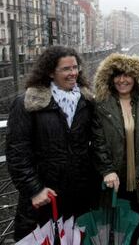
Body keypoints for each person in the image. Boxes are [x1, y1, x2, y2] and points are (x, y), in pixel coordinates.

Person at [5, 46, 100, 241]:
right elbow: (17, 153)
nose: (73, 73)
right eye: (66, 69)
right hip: (45, 197)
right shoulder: (28, 103)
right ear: (50, 72)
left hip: (78, 196)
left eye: (75, 67)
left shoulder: (87, 102)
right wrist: (35, 189)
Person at [92, 53, 139, 244]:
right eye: (117, 75)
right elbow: (98, 142)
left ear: (137, 77)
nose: (122, 80)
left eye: (127, 75)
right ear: (109, 78)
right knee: (112, 224)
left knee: (135, 219)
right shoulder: (101, 104)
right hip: (113, 178)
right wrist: (107, 170)